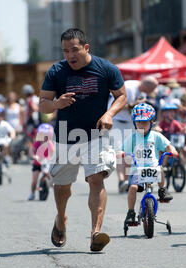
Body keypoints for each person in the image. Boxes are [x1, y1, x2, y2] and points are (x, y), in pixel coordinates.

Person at [39, 28, 127, 252]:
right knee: (62, 187)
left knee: (96, 179)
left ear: (86, 48)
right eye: (65, 50)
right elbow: (43, 104)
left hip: (96, 134)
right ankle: (61, 218)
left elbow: (122, 96)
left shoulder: (106, 68)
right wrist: (57, 104)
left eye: (74, 49)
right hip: (66, 135)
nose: (70, 55)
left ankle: (95, 232)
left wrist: (109, 114)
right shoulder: (56, 71)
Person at [122, 103, 178, 225]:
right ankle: (130, 212)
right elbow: (123, 149)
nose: (141, 125)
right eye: (138, 123)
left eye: (145, 122)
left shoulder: (156, 136)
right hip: (137, 170)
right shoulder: (132, 138)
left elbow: (167, 145)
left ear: (151, 122)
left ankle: (162, 190)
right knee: (132, 187)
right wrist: (120, 153)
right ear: (134, 123)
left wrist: (172, 150)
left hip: (152, 168)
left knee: (160, 168)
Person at [107, 77, 159, 193]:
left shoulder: (141, 91)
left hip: (130, 122)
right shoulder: (129, 88)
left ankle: (126, 180)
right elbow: (115, 106)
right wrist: (133, 105)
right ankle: (122, 180)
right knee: (120, 151)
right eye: (152, 89)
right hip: (117, 121)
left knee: (130, 151)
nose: (152, 92)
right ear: (148, 86)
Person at [28, 123, 55, 201]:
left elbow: (53, 152)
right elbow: (31, 150)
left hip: (46, 162)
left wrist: (51, 158)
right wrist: (34, 156)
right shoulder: (37, 143)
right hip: (37, 163)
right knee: (34, 180)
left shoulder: (49, 143)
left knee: (50, 177)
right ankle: (32, 193)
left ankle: (55, 191)